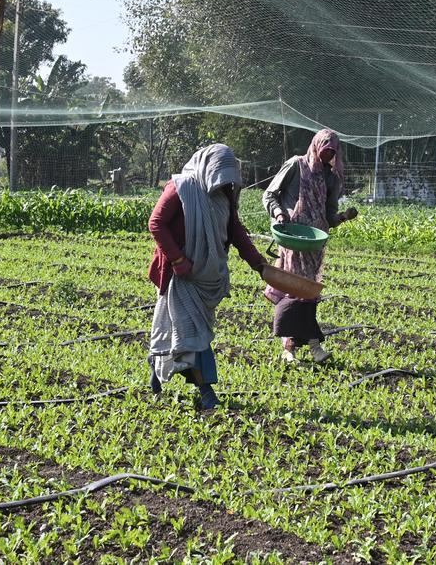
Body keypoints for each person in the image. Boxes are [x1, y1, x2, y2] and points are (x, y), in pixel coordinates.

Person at [147, 143, 267, 410]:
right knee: (195, 335)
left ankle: (155, 368)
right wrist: (178, 260)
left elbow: (236, 232)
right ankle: (206, 392)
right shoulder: (182, 188)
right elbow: (156, 223)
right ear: (207, 168)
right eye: (220, 176)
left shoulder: (223, 194)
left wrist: (259, 264)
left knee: (182, 332)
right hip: (181, 276)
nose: (224, 184)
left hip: (207, 277)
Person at [263, 129, 358, 363]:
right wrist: (279, 214)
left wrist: (344, 217)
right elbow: (270, 195)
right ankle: (297, 347)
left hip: (315, 243)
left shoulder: (331, 178)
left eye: (332, 152)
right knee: (295, 292)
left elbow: (329, 216)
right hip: (293, 239)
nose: (328, 156)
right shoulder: (296, 165)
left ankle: (303, 347)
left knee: (308, 294)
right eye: (325, 150)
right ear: (316, 146)